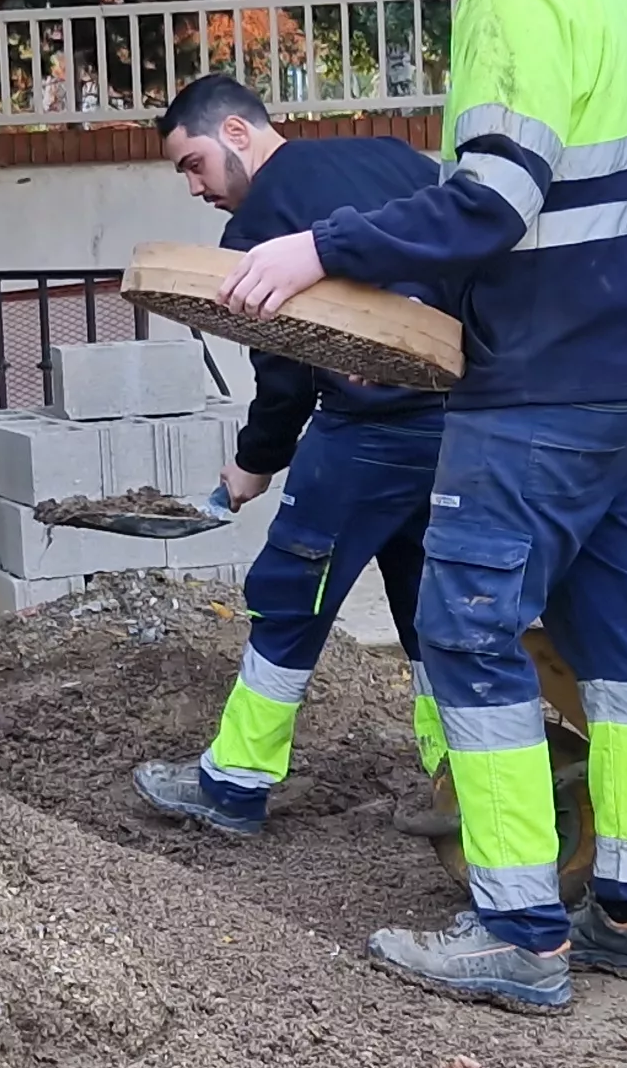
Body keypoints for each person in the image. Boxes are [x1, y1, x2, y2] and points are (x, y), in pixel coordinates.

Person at [217, 0, 627, 1013]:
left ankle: (520, 931)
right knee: (618, 642)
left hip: (538, 387)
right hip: (626, 369)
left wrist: (318, 249)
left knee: (468, 632)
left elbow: (492, 200)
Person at [128, 77, 453, 838]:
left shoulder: (259, 228)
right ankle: (459, 778)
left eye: (194, 163)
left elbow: (284, 369)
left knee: (289, 595)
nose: (195, 187)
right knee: (432, 607)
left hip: (365, 436)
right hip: (455, 424)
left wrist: (255, 462)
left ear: (238, 133)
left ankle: (233, 784)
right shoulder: (390, 156)